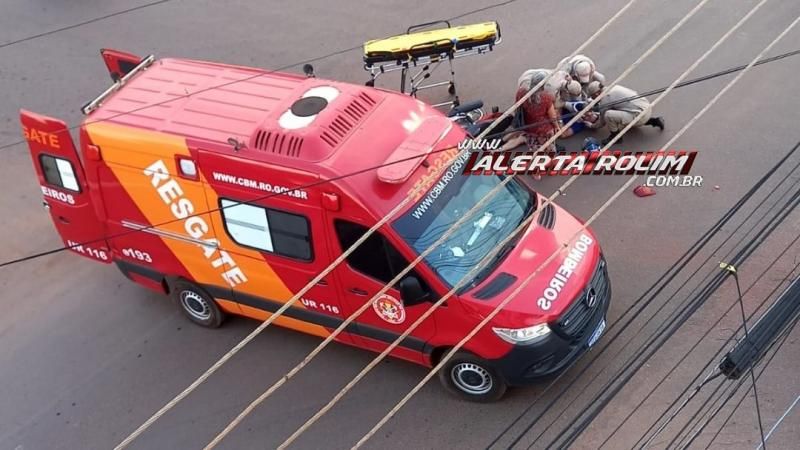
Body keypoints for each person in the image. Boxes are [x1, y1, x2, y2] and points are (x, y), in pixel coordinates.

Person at [585, 81, 665, 144]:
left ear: (597, 93)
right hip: (646, 107)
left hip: (639, 115)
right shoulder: (614, 87)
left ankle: (615, 137)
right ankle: (655, 121)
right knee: (626, 111)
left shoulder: (605, 99)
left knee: (608, 115)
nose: (592, 98)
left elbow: (602, 122)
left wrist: (591, 126)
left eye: (592, 96)